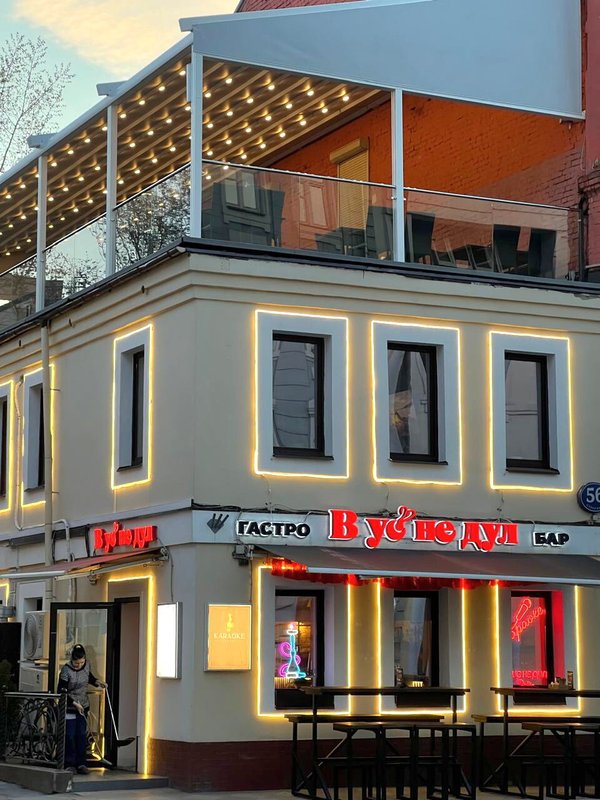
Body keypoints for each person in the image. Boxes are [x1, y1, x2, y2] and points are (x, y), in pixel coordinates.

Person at [57, 644, 106, 774]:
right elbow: (61, 691)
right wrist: (74, 703)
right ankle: (69, 763)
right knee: (70, 735)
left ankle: (81, 763)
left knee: (81, 735)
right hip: (70, 706)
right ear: (72, 660)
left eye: (81, 662)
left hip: (83, 705)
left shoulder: (87, 666)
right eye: (76, 663)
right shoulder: (66, 670)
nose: (79, 665)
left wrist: (97, 682)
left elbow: (89, 677)